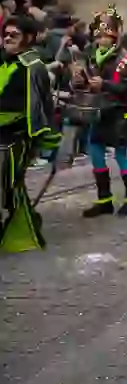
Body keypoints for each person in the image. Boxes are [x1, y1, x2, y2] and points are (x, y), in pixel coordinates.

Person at [0, 16, 60, 252]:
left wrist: (44, 138)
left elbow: (40, 106)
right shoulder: (3, 62)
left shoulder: (33, 67)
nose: (6, 38)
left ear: (27, 38)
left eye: (13, 35)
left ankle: (23, 231)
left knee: (10, 184)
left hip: (18, 137)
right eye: (5, 34)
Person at [79, 6, 127, 218]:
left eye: (105, 36)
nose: (101, 40)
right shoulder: (90, 56)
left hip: (117, 112)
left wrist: (104, 84)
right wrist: (79, 80)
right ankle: (104, 199)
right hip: (97, 111)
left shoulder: (125, 59)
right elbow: (85, 83)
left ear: (114, 36)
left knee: (121, 154)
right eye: (98, 36)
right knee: (95, 152)